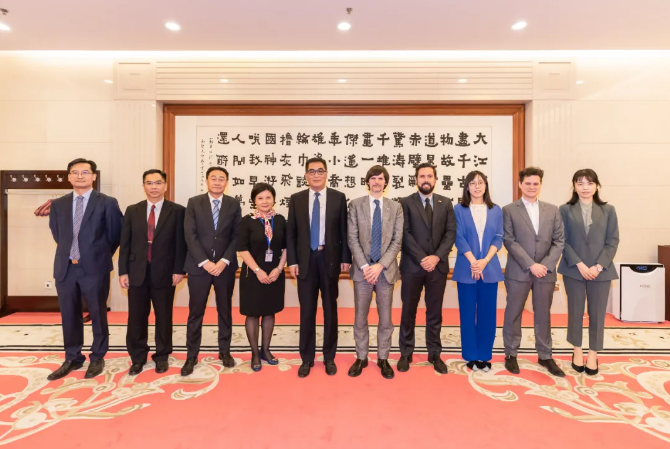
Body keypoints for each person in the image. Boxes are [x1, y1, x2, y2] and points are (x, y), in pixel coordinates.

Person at [47, 158, 123, 381]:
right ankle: (73, 357)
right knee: (69, 314)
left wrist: (97, 254)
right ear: (69, 176)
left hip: (95, 268)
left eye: (85, 172)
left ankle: (97, 356)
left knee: (98, 313)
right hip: (66, 268)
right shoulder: (58, 205)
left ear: (94, 176)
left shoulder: (107, 202)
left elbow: (115, 235)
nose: (80, 176)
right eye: (75, 172)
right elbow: (58, 234)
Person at [287, 157, 351, 378]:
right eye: (312, 171)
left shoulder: (338, 197)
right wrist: (292, 261)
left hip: (329, 259)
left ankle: (329, 356)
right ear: (306, 175)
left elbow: (343, 231)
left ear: (326, 174)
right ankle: (307, 358)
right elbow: (291, 233)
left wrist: (346, 257)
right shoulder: (296, 199)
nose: (316, 174)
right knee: (307, 311)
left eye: (320, 171)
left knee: (330, 310)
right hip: (305, 261)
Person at [118, 169, 186, 375]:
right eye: (149, 183)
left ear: (165, 186)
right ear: (144, 186)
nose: (154, 187)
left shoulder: (177, 211)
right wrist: (123, 271)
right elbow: (125, 243)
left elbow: (181, 244)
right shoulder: (133, 210)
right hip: (136, 271)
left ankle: (162, 356)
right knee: (136, 317)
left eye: (158, 183)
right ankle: (138, 357)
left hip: (165, 271)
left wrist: (179, 270)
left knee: (163, 316)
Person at [502, 166, 565, 377]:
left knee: (543, 314)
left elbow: (559, 241)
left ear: (540, 185)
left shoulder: (552, 210)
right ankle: (511, 353)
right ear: (520, 184)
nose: (531, 187)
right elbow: (509, 240)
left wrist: (544, 265)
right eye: (527, 183)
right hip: (519, 271)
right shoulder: (509, 210)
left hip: (545, 272)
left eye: (535, 183)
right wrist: (531, 264)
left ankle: (545, 355)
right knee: (513, 313)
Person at [181, 166, 241, 376]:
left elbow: (236, 235)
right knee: (196, 312)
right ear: (207, 181)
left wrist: (224, 260)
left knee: (225, 311)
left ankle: (225, 351)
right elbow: (190, 235)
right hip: (199, 267)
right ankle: (191, 355)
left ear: (226, 182)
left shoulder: (233, 204)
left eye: (221, 179)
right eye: (213, 178)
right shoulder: (194, 202)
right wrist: (204, 262)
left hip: (225, 267)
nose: (217, 182)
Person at [559, 169, 619, 376]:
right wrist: (579, 264)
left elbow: (613, 241)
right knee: (575, 311)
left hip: (601, 271)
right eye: (580, 183)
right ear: (574, 186)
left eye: (589, 183)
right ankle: (577, 350)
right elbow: (562, 240)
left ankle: (593, 353)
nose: (585, 187)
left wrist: (598, 266)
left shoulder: (608, 210)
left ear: (597, 186)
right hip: (573, 269)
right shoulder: (565, 210)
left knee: (597, 313)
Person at [398, 163, 456, 374]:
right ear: (416, 179)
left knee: (434, 312)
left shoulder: (445, 203)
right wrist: (423, 258)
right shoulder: (405, 202)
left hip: (437, 267)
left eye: (429, 176)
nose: (426, 180)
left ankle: (434, 353)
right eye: (422, 176)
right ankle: (406, 352)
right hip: (412, 266)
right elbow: (404, 233)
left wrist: (436, 257)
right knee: (408, 311)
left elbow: (450, 233)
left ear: (435, 179)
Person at [347, 166, 403, 379]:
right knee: (360, 317)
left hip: (385, 271)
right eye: (373, 178)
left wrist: (380, 265)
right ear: (367, 182)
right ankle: (361, 357)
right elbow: (352, 238)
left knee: (385, 319)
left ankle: (383, 357)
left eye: (380, 178)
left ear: (385, 183)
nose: (377, 182)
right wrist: (365, 266)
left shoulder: (396, 207)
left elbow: (397, 240)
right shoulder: (355, 205)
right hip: (362, 272)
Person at [453, 171, 504, 371]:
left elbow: (498, 237)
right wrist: (474, 262)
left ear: (486, 186)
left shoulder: (496, 210)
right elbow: (458, 237)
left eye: (480, 183)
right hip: (466, 268)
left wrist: (484, 261)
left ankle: (484, 355)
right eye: (472, 183)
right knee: (467, 314)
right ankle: (471, 355)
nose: (477, 186)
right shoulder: (459, 209)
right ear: (467, 187)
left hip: (489, 268)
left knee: (487, 315)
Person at [237, 183, 287, 372]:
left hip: (274, 273)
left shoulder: (280, 220)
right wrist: (258, 270)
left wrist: (279, 269)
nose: (264, 201)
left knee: (269, 311)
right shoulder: (247, 221)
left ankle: (266, 350)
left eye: (268, 197)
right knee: (252, 313)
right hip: (252, 273)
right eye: (260, 198)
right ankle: (255, 353)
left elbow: (286, 247)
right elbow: (242, 249)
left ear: (274, 199)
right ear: (254, 201)